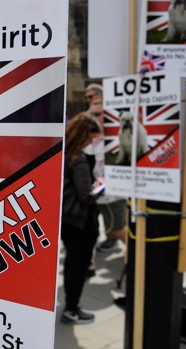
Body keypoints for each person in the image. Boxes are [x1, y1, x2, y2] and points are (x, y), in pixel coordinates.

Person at [60, 112, 102, 324]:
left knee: (71, 264)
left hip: (67, 219)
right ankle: (71, 309)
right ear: (85, 134)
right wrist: (101, 186)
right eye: (92, 137)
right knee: (78, 265)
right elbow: (86, 195)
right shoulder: (80, 159)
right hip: (81, 221)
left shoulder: (64, 153)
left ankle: (70, 306)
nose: (93, 142)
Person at [86, 100, 127, 251]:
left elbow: (112, 170)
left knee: (117, 229)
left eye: (97, 114)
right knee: (109, 227)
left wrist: (92, 192)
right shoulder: (94, 136)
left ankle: (137, 258)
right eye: (90, 114)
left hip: (112, 194)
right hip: (99, 193)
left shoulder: (115, 138)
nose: (92, 118)